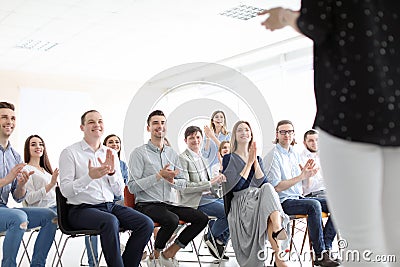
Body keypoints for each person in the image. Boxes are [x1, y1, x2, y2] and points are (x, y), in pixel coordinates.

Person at [260, 3, 400, 265]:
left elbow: (316, 22)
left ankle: (322, 253)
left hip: (350, 114)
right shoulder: (277, 155)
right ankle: (322, 253)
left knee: (361, 242)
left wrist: (285, 17)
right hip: (394, 112)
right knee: (395, 236)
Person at [59, 109, 153, 267]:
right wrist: (90, 177)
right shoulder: (70, 153)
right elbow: (65, 191)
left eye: (100, 121)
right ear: (82, 127)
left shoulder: (110, 153)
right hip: (80, 210)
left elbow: (118, 192)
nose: (97, 125)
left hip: (109, 206)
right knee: (110, 221)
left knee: (146, 224)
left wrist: (111, 174)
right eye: (91, 122)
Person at [128, 110, 208, 267]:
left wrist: (172, 181)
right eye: (155, 123)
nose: (160, 126)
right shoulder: (138, 153)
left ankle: (169, 253)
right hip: (147, 204)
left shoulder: (172, 153)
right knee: (171, 219)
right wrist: (158, 176)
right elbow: (132, 187)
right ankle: (155, 256)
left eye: (163, 123)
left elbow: (183, 182)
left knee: (201, 218)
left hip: (169, 203)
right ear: (148, 128)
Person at [264, 120, 338, 266]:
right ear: (277, 135)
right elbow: (276, 187)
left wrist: (307, 175)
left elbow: (302, 183)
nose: (287, 135)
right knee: (314, 205)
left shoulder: (294, 154)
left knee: (337, 205)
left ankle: (326, 248)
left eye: (290, 132)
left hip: (297, 197)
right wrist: (301, 176)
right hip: (283, 202)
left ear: (293, 134)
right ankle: (319, 254)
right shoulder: (274, 156)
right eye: (283, 132)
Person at [222, 120, 290, 267]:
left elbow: (262, 182)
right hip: (241, 202)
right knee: (269, 199)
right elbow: (236, 187)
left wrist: (255, 162)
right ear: (234, 135)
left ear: (251, 134)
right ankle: (278, 236)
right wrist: (248, 163)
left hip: (258, 198)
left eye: (246, 130)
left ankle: (279, 255)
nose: (244, 132)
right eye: (240, 130)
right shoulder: (229, 158)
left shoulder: (257, 158)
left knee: (267, 190)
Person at [0, 101, 57, 267]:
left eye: (12, 118)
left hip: (3, 208)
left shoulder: (15, 156)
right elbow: (7, 182)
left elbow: (17, 198)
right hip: (6, 213)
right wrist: (7, 179)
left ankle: (37, 265)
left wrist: (21, 185)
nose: (9, 121)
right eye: (4, 117)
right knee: (18, 217)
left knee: (50, 217)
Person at [179, 126, 230, 260]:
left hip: (209, 196)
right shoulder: (182, 158)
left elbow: (208, 182)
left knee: (235, 208)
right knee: (227, 212)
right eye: (191, 138)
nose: (195, 140)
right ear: (185, 140)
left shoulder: (202, 157)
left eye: (198, 137)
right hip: (195, 200)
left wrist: (218, 181)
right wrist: (210, 183)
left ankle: (219, 241)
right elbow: (185, 187)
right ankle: (212, 237)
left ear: (202, 139)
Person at [23, 135, 58, 211]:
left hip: (56, 207)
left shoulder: (47, 172)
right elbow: (29, 199)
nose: (38, 147)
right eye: (33, 144)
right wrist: (51, 184)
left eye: (41, 144)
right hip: (44, 210)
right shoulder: (26, 169)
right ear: (27, 149)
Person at [301, 129, 326, 198]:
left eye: (317, 140)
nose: (315, 143)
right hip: (313, 194)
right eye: (311, 141)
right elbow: (307, 187)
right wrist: (308, 175)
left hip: (327, 191)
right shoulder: (301, 159)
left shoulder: (324, 155)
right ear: (305, 143)